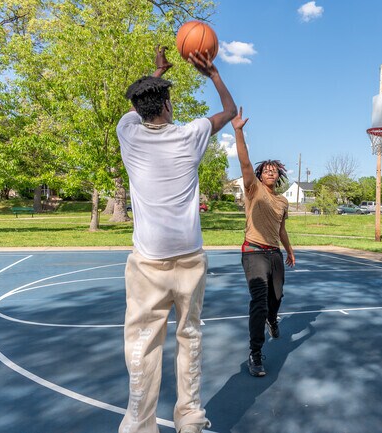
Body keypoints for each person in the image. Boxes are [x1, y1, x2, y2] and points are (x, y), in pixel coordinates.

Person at [116, 46, 236, 433]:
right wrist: (213, 75)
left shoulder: (128, 133)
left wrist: (155, 72)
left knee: (143, 347)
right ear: (168, 105)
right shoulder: (190, 136)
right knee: (190, 337)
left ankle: (139, 423)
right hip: (189, 260)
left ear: (138, 109)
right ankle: (190, 417)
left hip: (148, 263)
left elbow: (140, 108)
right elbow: (230, 112)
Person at [231, 107, 296, 377]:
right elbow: (245, 162)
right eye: (266, 170)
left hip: (275, 254)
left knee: (276, 297)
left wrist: (290, 251)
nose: (269, 173)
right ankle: (255, 353)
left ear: (278, 176)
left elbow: (281, 230)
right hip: (253, 252)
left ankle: (273, 318)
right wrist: (238, 130)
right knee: (259, 300)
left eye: (274, 171)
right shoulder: (253, 189)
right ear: (260, 175)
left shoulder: (282, 201)